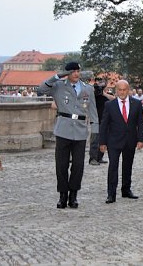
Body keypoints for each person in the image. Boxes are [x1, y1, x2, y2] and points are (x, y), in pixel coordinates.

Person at [37, 62, 98, 210]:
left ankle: (73, 195)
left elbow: (93, 112)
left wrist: (96, 133)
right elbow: (41, 89)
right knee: (61, 165)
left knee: (78, 166)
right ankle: (62, 195)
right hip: (63, 129)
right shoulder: (58, 86)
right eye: (73, 71)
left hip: (81, 131)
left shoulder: (87, 89)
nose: (76, 74)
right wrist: (57, 76)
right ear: (67, 73)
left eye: (78, 71)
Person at [99, 80, 143, 203]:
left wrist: (141, 139)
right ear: (116, 91)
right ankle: (111, 194)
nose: (122, 92)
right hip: (113, 141)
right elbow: (104, 124)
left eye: (124, 89)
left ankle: (126, 189)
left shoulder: (136, 104)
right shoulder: (110, 105)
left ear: (128, 90)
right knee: (113, 166)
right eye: (119, 89)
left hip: (130, 139)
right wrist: (102, 142)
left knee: (127, 165)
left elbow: (140, 123)